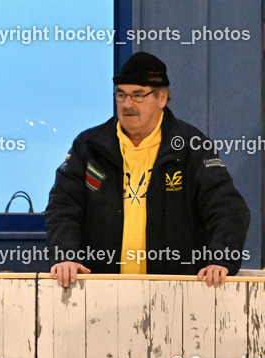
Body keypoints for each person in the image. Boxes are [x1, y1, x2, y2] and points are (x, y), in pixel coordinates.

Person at [46, 51, 250, 288]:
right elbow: (63, 206)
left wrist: (221, 260)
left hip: (176, 292)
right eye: (121, 95)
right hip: (99, 289)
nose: (127, 104)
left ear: (162, 98)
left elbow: (228, 208)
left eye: (138, 95)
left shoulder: (191, 147)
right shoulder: (89, 146)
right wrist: (66, 256)